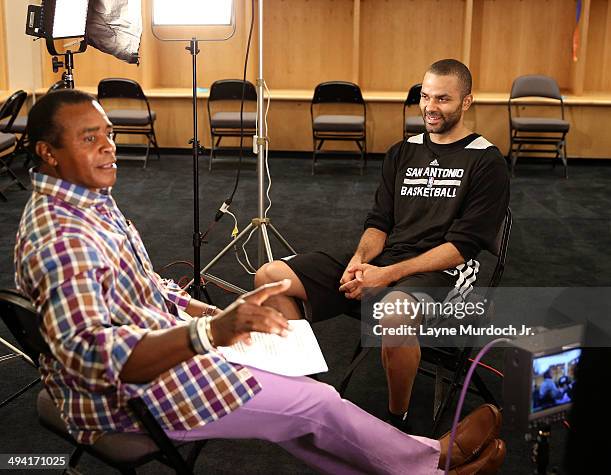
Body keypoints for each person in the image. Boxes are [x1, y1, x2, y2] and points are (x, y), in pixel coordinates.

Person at [13, 88, 505, 475]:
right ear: (47, 153)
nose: (108, 147)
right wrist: (208, 334)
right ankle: (432, 463)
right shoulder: (62, 237)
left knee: (299, 402)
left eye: (109, 132)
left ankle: (407, 462)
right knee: (315, 403)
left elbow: (138, 285)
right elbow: (99, 359)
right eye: (88, 138)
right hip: (127, 401)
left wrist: (201, 311)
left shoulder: (83, 200)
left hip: (156, 354)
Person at [255, 59, 510, 429]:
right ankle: (304, 392)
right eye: (425, 96)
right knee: (271, 275)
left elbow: (461, 248)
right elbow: (379, 224)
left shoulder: (487, 162)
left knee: (394, 314)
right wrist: (359, 261)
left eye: (443, 99)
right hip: (387, 260)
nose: (430, 107)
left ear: (467, 102)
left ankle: (397, 421)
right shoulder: (402, 152)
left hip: (446, 271)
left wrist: (385, 274)